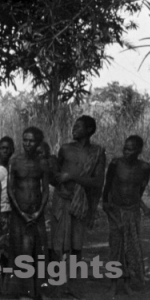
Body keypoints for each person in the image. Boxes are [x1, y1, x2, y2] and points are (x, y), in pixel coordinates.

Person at [50, 114, 106, 284]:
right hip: (62, 199)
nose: (74, 129)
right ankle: (56, 280)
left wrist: (72, 177)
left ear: (89, 130)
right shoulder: (65, 149)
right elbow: (56, 176)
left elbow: (97, 182)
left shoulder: (97, 153)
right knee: (58, 241)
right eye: (74, 126)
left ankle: (72, 281)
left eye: (78, 127)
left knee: (76, 243)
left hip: (81, 202)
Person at [102, 135, 150, 296]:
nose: (126, 152)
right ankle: (113, 283)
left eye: (131, 149)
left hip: (132, 211)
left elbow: (140, 191)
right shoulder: (116, 164)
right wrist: (108, 208)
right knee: (116, 247)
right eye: (125, 148)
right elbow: (107, 188)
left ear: (138, 150)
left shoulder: (144, 168)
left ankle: (128, 282)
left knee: (130, 248)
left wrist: (139, 207)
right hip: (116, 210)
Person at [8, 127, 50, 300]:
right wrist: (21, 213)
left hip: (37, 213)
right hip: (19, 213)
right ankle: (23, 290)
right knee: (21, 250)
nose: (27, 143)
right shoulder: (15, 161)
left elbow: (45, 190)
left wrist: (39, 212)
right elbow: (10, 190)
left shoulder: (42, 163)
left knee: (40, 251)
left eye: (31, 141)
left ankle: (41, 290)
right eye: (25, 140)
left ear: (38, 142)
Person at [0, 135, 15, 292]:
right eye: (2, 148)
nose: (4, 151)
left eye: (7, 149)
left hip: (11, 211)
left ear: (12, 150)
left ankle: (5, 282)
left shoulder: (12, 168)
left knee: (7, 248)